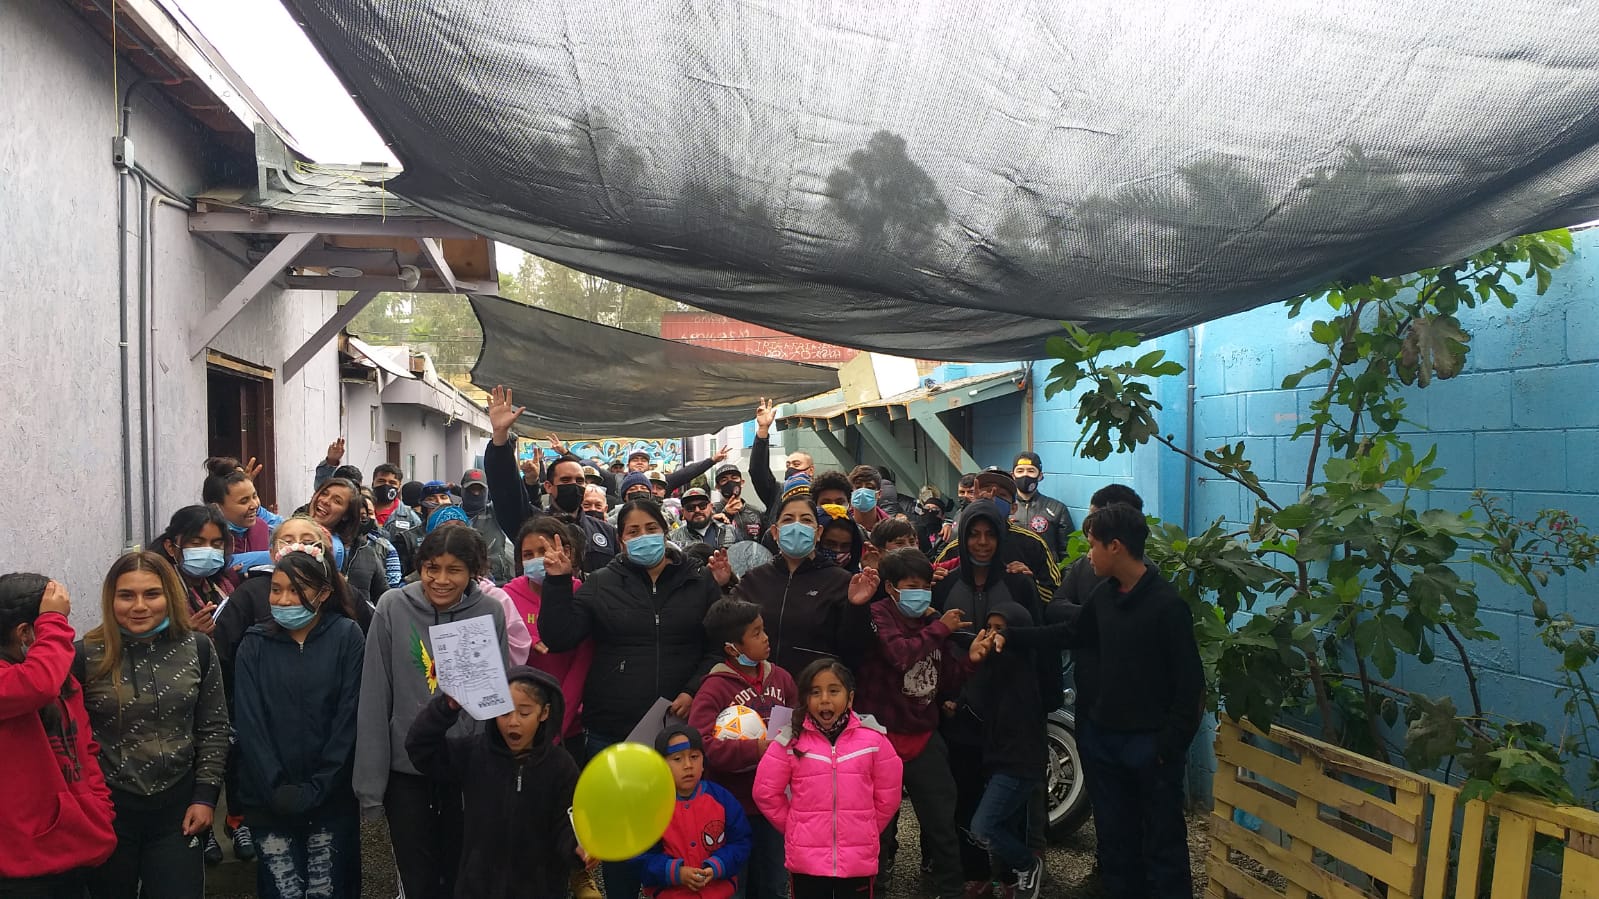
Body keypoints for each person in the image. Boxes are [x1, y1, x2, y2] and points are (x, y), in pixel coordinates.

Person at [990, 503, 1204, 899]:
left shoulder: (1167, 607)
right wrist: (1013, 636)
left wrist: (1166, 748)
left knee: (1162, 845)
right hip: (1103, 741)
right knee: (1117, 843)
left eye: (1093, 546)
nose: (1089, 555)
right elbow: (1068, 633)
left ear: (1116, 547)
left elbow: (1190, 687)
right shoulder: (1105, 595)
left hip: (1149, 747)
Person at [536, 499, 725, 899]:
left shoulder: (697, 579)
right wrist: (556, 581)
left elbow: (715, 647)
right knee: (622, 835)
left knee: (679, 832)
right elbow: (559, 636)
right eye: (632, 531)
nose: (643, 537)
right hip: (614, 731)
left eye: (650, 527)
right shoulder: (602, 582)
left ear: (666, 529)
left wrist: (692, 688)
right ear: (620, 540)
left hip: (677, 734)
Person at [355, 526, 510, 899]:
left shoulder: (490, 611)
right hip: (406, 771)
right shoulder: (392, 606)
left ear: (473, 572)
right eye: (432, 568)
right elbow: (376, 694)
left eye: (454, 570)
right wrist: (370, 788)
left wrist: (498, 772)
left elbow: (497, 696)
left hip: (466, 770)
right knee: (417, 876)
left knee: (463, 872)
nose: (441, 580)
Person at [77, 552, 228, 899]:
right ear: (110, 598)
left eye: (152, 594)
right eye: (126, 595)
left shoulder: (198, 649)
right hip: (107, 814)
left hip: (177, 811)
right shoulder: (84, 657)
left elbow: (214, 728)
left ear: (170, 596)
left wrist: (205, 796)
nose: (139, 606)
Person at [933, 501, 1055, 892]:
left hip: (1010, 714)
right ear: (963, 536)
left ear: (1001, 538)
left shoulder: (1019, 583)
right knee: (965, 793)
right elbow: (934, 649)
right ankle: (975, 873)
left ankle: (1011, 873)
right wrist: (943, 699)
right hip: (961, 709)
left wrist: (1045, 702)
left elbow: (1041, 644)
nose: (982, 543)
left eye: (989, 534)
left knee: (1008, 803)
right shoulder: (946, 585)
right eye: (974, 533)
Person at [232, 542, 366, 899]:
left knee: (330, 887)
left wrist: (321, 786)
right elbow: (250, 722)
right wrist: (275, 787)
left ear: (323, 593)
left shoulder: (347, 637)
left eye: (297, 589)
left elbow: (348, 717)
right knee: (282, 888)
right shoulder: (254, 643)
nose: (285, 600)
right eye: (277, 590)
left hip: (332, 800)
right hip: (268, 799)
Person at [855, 548, 974, 899]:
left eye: (925, 585)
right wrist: (940, 628)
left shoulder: (930, 621)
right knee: (878, 829)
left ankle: (951, 889)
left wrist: (973, 661)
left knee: (941, 823)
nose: (920, 592)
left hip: (924, 736)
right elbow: (900, 655)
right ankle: (874, 889)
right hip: (880, 738)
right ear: (891, 587)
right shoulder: (878, 614)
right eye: (911, 585)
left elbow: (947, 677)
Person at [405, 666, 584, 899]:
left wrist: (577, 847)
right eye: (505, 712)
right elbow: (420, 749)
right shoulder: (474, 753)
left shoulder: (561, 766)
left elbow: (565, 822)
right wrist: (446, 707)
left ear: (544, 712)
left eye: (525, 712)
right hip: (476, 888)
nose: (513, 722)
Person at [0, 575, 116, 896]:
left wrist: (98, 808)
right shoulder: (30, 680)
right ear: (26, 633)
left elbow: (84, 748)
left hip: (75, 849)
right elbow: (36, 685)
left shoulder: (60, 679)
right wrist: (54, 622)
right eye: (55, 625)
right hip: (19, 870)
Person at [753, 659, 903, 899]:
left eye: (833, 691)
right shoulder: (790, 741)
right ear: (805, 699)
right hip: (807, 863)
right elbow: (765, 792)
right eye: (815, 692)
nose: (824, 699)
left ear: (850, 698)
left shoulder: (874, 742)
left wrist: (868, 830)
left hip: (857, 861)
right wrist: (795, 827)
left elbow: (890, 794)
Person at [688, 600, 797, 899]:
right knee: (734, 884)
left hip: (774, 804)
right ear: (732, 647)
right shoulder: (714, 688)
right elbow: (702, 746)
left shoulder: (782, 679)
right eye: (756, 633)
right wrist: (756, 749)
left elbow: (798, 726)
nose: (765, 638)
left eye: (764, 630)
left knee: (774, 883)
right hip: (731, 806)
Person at [732, 491, 876, 677]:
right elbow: (728, 631)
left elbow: (857, 648)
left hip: (815, 693)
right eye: (789, 519)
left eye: (806, 520)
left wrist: (858, 608)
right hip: (759, 690)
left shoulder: (841, 582)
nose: (797, 526)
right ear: (775, 532)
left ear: (818, 533)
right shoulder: (753, 580)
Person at [483, 387, 621, 575]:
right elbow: (506, 489)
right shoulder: (530, 522)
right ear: (548, 486)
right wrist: (500, 437)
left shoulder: (607, 533)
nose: (573, 485)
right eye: (565, 479)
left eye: (579, 480)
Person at [964, 604, 1046, 899]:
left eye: (1003, 629)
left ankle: (1028, 864)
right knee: (1000, 825)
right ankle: (1012, 882)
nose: (995, 636)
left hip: (1017, 763)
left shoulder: (1020, 665)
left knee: (983, 827)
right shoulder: (992, 667)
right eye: (991, 628)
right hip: (998, 761)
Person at [504, 518, 595, 750]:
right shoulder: (505, 598)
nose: (536, 559)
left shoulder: (581, 595)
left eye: (543, 550)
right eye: (528, 554)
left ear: (565, 551)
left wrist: (556, 725)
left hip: (567, 726)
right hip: (515, 725)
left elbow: (581, 667)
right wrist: (525, 642)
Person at [634, 725, 753, 899]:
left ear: (703, 763)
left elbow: (741, 842)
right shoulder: (651, 807)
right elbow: (641, 856)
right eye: (677, 759)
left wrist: (717, 865)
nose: (688, 765)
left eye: (694, 757)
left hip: (718, 892)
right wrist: (677, 872)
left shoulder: (722, 799)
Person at [933, 470, 1060, 604]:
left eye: (1001, 495)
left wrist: (1029, 583)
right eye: (985, 492)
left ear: (1013, 508)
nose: (992, 498)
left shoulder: (1032, 544)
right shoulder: (955, 548)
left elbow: (1055, 596)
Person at [1049, 484, 1143, 616]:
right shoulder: (1085, 566)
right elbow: (1055, 607)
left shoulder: (1154, 593)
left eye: (1094, 519)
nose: (1089, 527)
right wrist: (1091, 615)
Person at [307, 477, 399, 606]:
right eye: (324, 493)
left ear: (346, 515)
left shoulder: (364, 551)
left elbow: (383, 597)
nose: (326, 501)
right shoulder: (288, 534)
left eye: (337, 501)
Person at [152, 505, 234, 638]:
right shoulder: (159, 589)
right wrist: (187, 633)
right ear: (171, 547)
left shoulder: (222, 585)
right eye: (196, 543)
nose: (208, 551)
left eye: (216, 544)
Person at [204, 457, 269, 587]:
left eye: (254, 496)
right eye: (244, 501)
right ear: (217, 507)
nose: (254, 505)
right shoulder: (207, 534)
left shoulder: (261, 527)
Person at [1009, 452, 1073, 562]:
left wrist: (1066, 578)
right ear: (1013, 475)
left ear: (1040, 476)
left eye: (1031, 471)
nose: (1025, 475)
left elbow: (1067, 553)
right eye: (1020, 471)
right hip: (1012, 575)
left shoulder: (1057, 509)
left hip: (1046, 576)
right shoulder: (1005, 507)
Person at [458, 469, 516, 584]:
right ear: (462, 490)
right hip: (463, 583)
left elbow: (514, 500)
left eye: (480, 489)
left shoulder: (497, 512)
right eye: (472, 489)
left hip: (498, 582)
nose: (476, 493)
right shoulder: (452, 516)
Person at [372, 463, 423, 576]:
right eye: (381, 481)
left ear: (399, 486)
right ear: (373, 483)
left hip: (400, 577)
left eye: (392, 483)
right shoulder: (363, 512)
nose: (386, 485)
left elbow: (419, 553)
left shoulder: (411, 518)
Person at [670, 487, 739, 551]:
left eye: (702, 505)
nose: (697, 510)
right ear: (683, 512)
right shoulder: (673, 538)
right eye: (690, 508)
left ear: (711, 507)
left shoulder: (730, 530)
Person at [846, 466, 890, 535]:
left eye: (869, 487)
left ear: (879, 494)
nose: (863, 492)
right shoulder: (842, 525)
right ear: (851, 493)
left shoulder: (890, 529)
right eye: (858, 487)